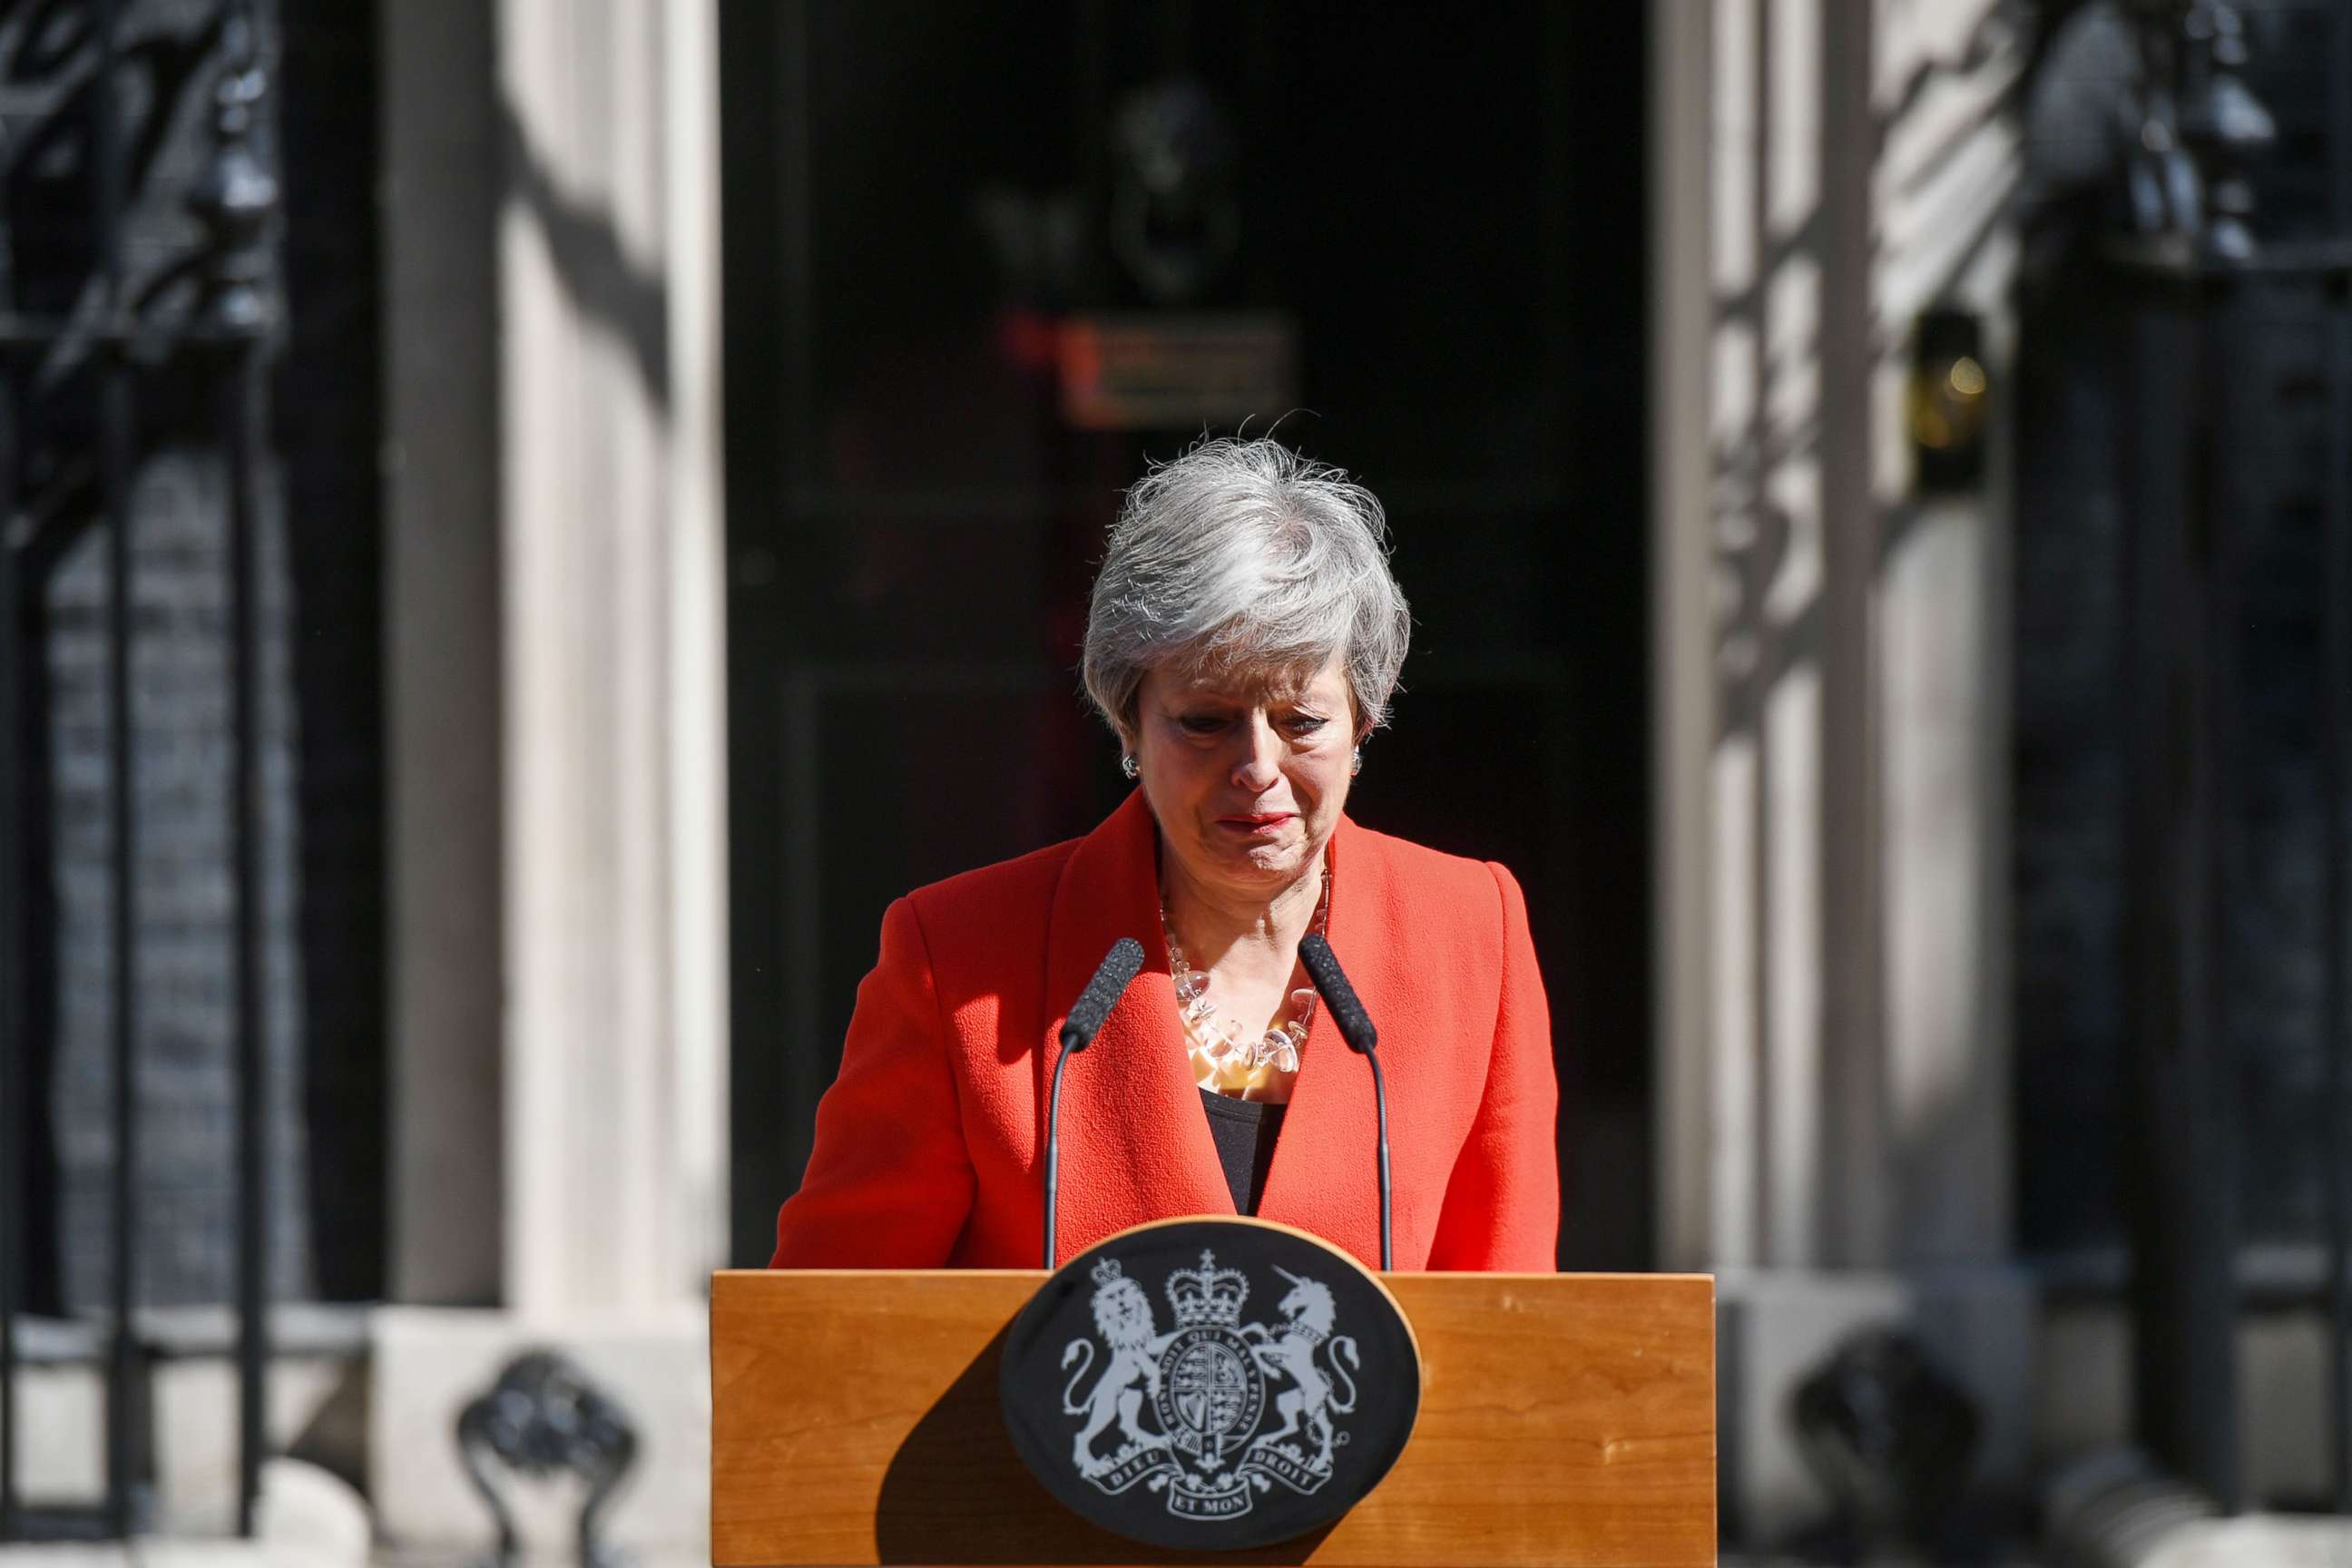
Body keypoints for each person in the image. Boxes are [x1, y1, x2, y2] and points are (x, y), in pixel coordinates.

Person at [769, 437, 1558, 1272]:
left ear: (1364, 722)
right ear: (1129, 726)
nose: (1257, 769)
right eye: (1206, 722)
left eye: (1301, 723)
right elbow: (829, 1339)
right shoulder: (957, 958)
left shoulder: (1473, 932)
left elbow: (1512, 1330)